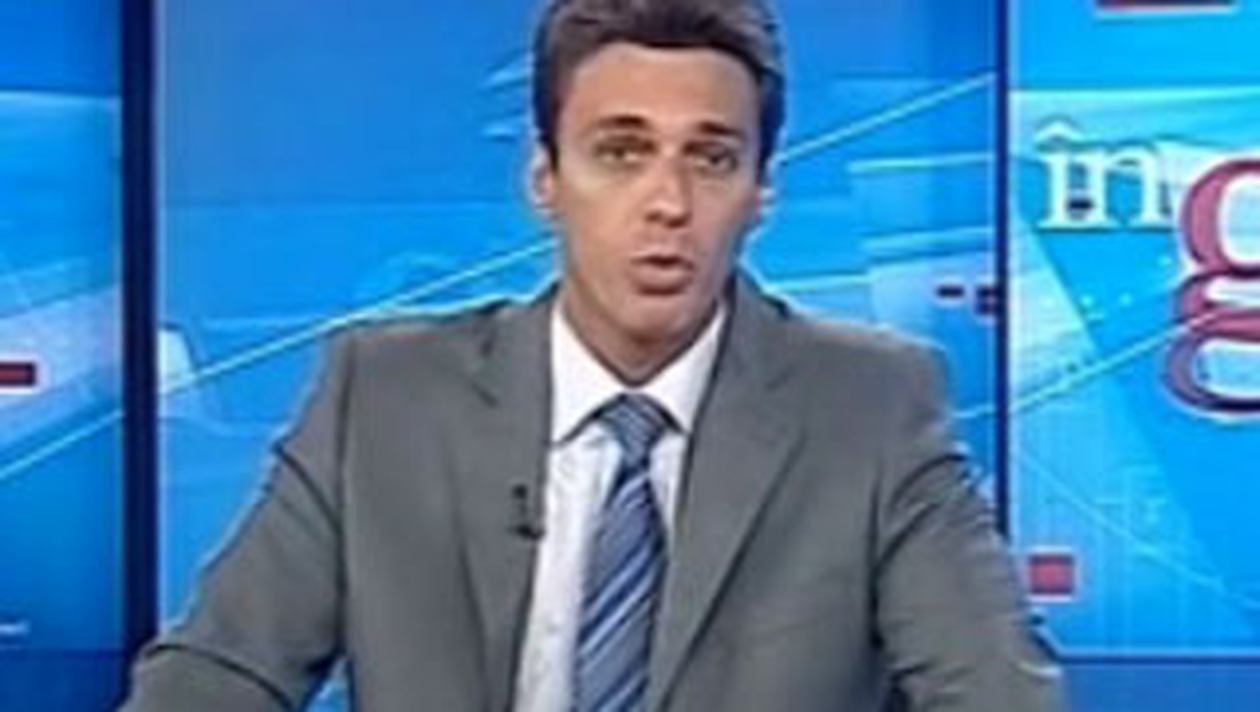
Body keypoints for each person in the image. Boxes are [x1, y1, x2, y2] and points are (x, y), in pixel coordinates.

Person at [121, 0, 1067, 710]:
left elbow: (994, 690)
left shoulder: (870, 406)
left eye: (710, 158)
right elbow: (219, 672)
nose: (667, 203)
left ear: (760, 193)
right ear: (545, 178)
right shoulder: (382, 398)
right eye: (621, 152)